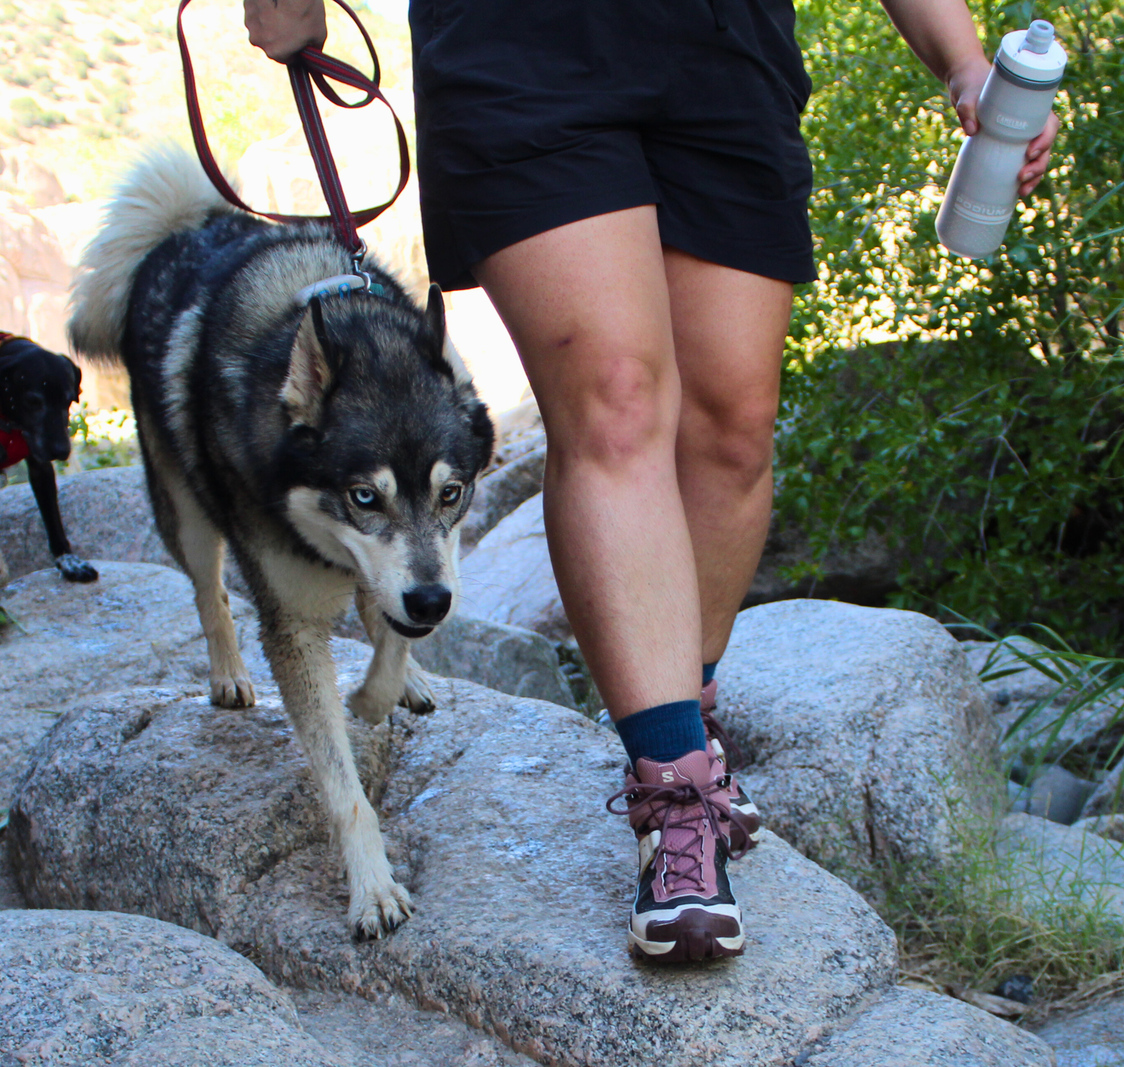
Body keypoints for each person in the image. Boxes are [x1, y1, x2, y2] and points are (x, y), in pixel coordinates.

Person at [244, 0, 1057, 962]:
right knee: (619, 401)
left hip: (721, 41)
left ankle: (689, 720)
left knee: (732, 429)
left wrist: (962, 58)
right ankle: (673, 794)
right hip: (519, 48)